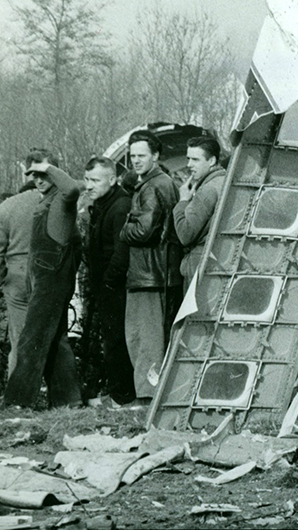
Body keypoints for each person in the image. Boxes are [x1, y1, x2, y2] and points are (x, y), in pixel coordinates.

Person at [3, 152, 83, 409]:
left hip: (51, 282)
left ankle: (18, 403)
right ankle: (67, 400)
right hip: (44, 280)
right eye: (33, 175)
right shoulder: (45, 201)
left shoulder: (61, 199)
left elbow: (72, 187)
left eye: (43, 175)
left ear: (53, 173)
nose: (38, 180)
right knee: (56, 341)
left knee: (32, 339)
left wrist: (48, 166)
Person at [120, 130, 179, 401]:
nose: (135, 161)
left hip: (150, 274)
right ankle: (148, 394)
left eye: (141, 155)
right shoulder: (156, 182)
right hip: (153, 273)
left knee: (147, 340)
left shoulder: (154, 185)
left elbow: (144, 231)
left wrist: (124, 229)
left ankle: (148, 397)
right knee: (146, 337)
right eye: (132, 156)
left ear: (155, 156)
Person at [83, 156, 136, 406]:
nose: (89, 185)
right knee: (111, 340)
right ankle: (118, 393)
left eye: (95, 180)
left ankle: (122, 396)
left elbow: (121, 249)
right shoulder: (105, 204)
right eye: (87, 179)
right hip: (106, 285)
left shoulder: (120, 205)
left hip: (114, 287)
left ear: (112, 179)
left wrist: (107, 282)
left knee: (117, 341)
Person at [0, 165, 42, 377]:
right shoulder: (52, 202)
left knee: (18, 336)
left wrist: (4, 277)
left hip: (16, 271)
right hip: (46, 271)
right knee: (50, 332)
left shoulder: (9, 206)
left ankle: (17, 390)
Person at [172, 136, 226, 287]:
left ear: (212, 161)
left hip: (199, 267)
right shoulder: (225, 182)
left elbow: (185, 234)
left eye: (195, 160)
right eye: (188, 159)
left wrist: (182, 201)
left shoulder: (207, 190)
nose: (189, 165)